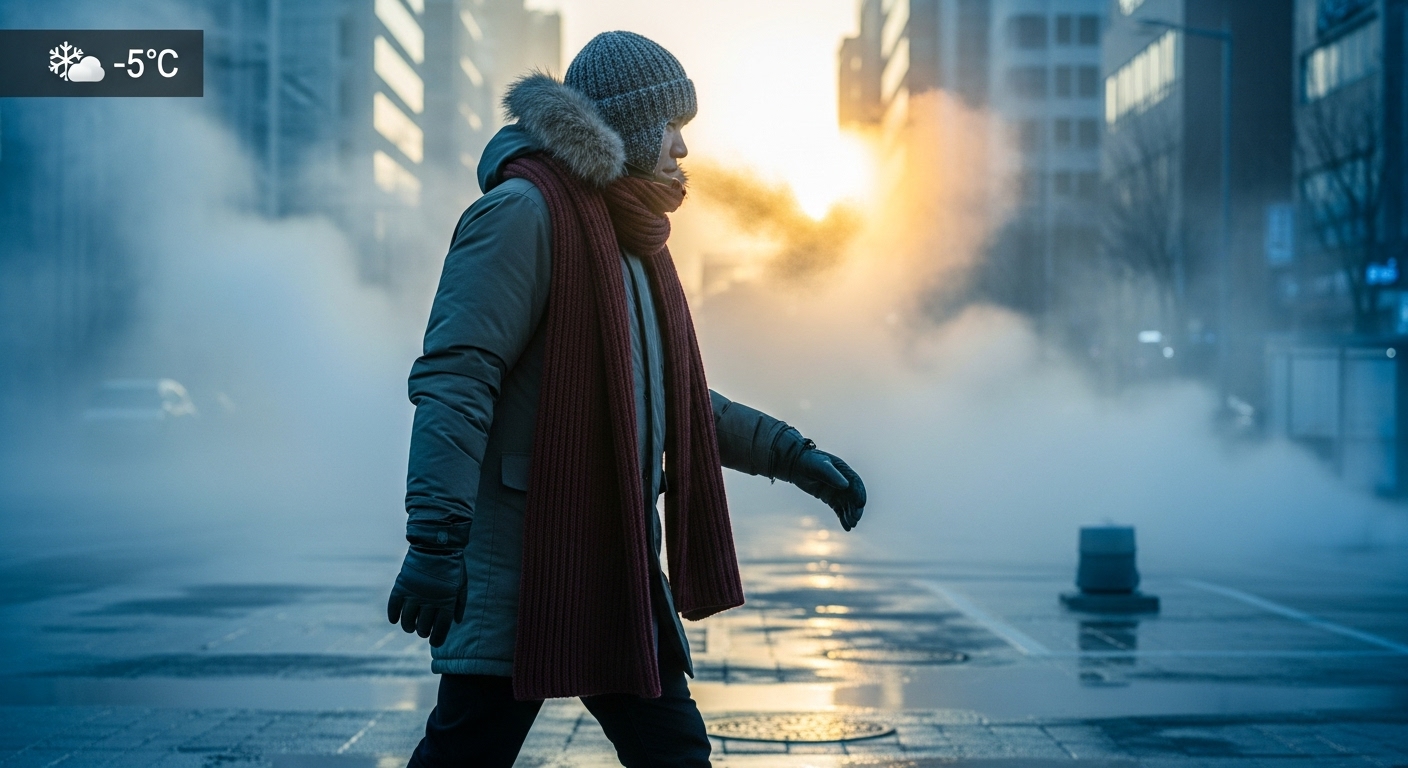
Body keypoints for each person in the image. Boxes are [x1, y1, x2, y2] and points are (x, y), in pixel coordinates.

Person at [386, 31, 868, 768]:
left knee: (676, 754)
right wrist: (435, 541)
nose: (682, 147)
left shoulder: (631, 240)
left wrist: (792, 456)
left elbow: (675, 398)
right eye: (669, 125)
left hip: (612, 562)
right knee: (467, 754)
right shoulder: (523, 214)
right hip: (525, 566)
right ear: (628, 126)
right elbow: (457, 381)